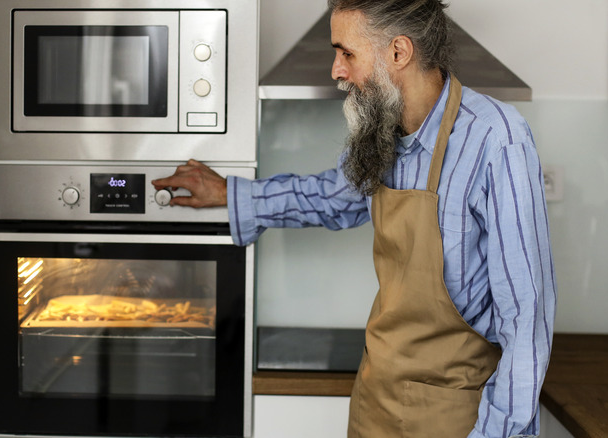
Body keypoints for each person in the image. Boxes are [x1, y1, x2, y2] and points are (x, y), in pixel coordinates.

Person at [152, 0, 556, 436]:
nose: (335, 71)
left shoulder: (496, 140)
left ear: (398, 54)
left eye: (347, 53)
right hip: (373, 402)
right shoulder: (381, 129)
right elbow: (333, 197)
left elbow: (527, 319)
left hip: (454, 415)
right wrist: (230, 192)